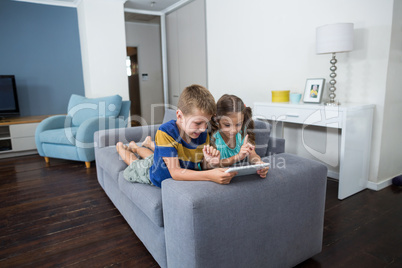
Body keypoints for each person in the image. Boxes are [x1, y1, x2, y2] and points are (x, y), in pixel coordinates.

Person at [116, 84, 236, 187]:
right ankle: (121, 147)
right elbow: (175, 172)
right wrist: (209, 176)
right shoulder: (166, 132)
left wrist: (211, 162)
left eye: (206, 122)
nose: (204, 128)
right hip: (155, 174)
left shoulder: (202, 133)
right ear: (179, 116)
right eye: (198, 123)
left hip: (164, 160)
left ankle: (136, 146)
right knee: (137, 163)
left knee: (152, 158)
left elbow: (203, 165)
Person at [208, 94, 269, 178]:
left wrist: (259, 164)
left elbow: (252, 155)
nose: (233, 130)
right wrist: (237, 157)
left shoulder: (241, 135)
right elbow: (211, 165)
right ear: (217, 119)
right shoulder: (214, 138)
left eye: (238, 124)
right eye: (227, 125)